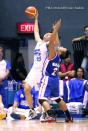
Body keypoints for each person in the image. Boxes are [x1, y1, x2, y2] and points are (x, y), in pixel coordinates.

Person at [23, 10, 61, 117]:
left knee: (42, 95)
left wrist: (55, 31)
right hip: (34, 70)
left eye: (49, 34)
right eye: (47, 33)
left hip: (43, 71)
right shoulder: (40, 42)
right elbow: (36, 31)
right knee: (26, 88)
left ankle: (46, 113)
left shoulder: (48, 44)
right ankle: (32, 110)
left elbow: (56, 41)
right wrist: (36, 19)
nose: (48, 34)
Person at [38, 24, 73, 122]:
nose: (61, 46)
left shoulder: (53, 54)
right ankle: (69, 117)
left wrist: (55, 30)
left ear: (61, 53)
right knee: (57, 99)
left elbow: (53, 42)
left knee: (41, 99)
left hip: (48, 79)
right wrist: (56, 32)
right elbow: (57, 43)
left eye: (62, 48)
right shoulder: (58, 59)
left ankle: (51, 115)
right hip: (55, 80)